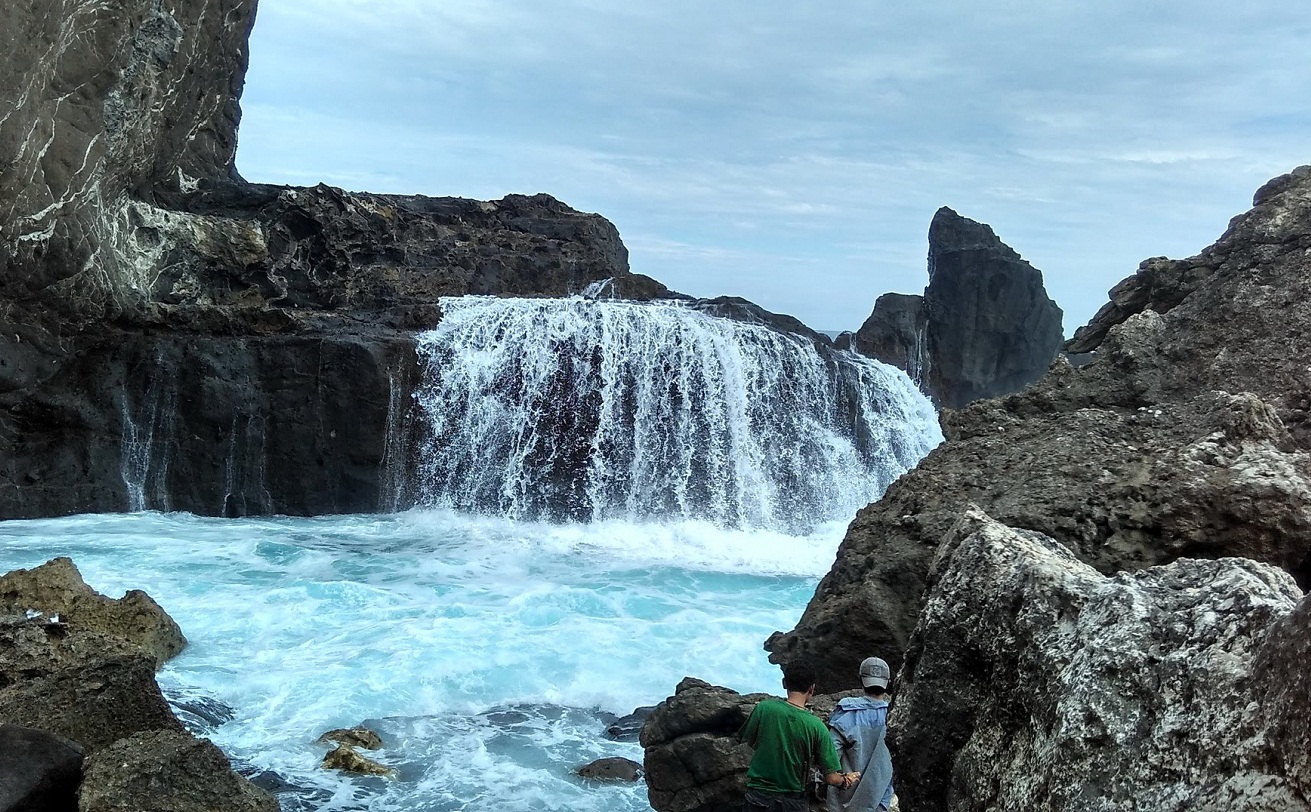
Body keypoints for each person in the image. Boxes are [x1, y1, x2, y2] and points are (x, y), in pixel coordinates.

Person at [739, 660, 861, 812]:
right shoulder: (817, 727)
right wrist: (846, 780)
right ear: (812, 688)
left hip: (758, 797)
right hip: (792, 802)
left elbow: (749, 740)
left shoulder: (764, 709)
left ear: (784, 683)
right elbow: (831, 777)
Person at [826, 657, 895, 812]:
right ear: (888, 683)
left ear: (861, 680)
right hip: (879, 803)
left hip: (842, 803)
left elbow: (829, 759)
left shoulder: (846, 714)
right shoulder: (895, 716)